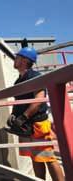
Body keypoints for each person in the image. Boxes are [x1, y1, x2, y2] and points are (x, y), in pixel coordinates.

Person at [6, 47, 64, 181]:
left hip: (37, 124)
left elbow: (38, 100)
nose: (15, 60)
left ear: (25, 60)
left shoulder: (35, 76)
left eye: (17, 57)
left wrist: (23, 117)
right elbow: (20, 102)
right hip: (26, 125)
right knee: (35, 157)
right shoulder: (18, 81)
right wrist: (14, 115)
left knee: (48, 157)